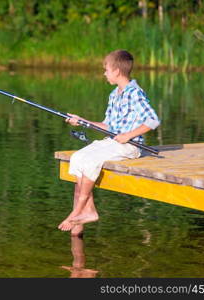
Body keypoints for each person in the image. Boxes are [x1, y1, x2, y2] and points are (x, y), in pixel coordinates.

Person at [58, 49, 160, 236]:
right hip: (112, 142)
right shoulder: (114, 95)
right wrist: (82, 121)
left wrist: (128, 135)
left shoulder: (135, 93)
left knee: (90, 161)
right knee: (78, 157)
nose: (104, 73)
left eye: (106, 69)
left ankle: (77, 211)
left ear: (117, 71)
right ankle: (88, 211)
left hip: (130, 146)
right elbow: (107, 125)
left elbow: (153, 120)